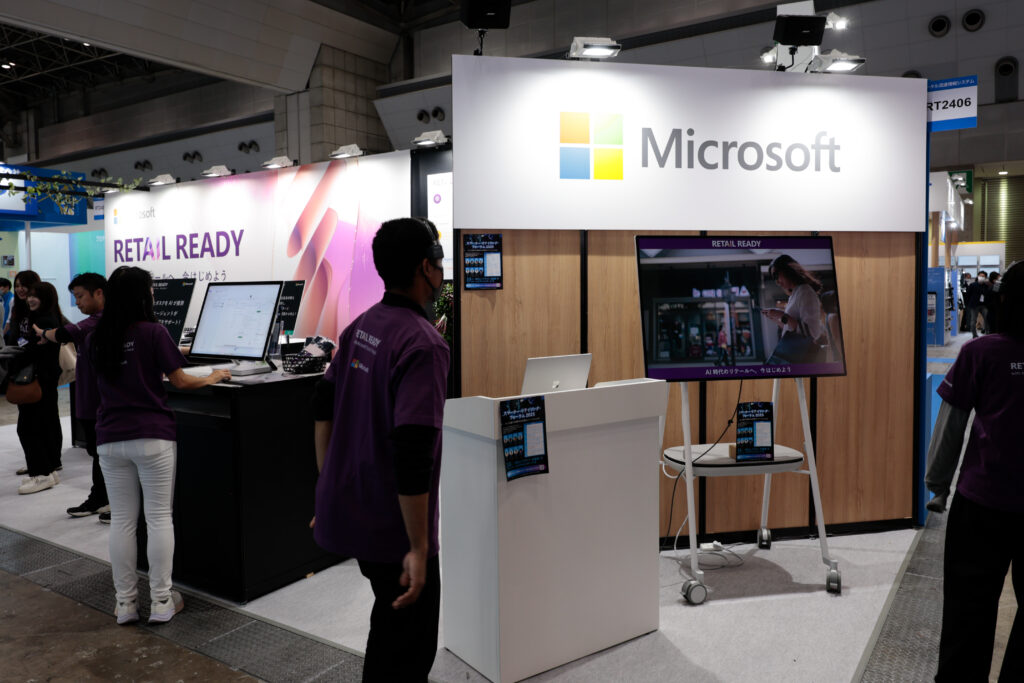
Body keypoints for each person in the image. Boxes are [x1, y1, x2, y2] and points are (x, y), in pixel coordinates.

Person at [312, 217, 450, 682]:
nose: (441, 271)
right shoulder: (424, 345)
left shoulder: (362, 326)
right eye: (438, 262)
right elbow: (413, 452)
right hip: (393, 528)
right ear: (424, 268)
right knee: (410, 647)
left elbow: (322, 402)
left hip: (355, 510)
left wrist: (327, 488)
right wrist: (419, 547)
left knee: (389, 626)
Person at [84, 266, 229, 625]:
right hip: (152, 436)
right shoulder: (153, 331)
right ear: (141, 295)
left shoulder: (97, 336)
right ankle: (162, 600)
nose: (153, 294)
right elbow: (180, 380)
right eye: (150, 289)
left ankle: (125, 604)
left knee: (122, 521)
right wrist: (213, 376)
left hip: (110, 438)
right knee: (159, 517)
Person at [924, 260, 1023, 682]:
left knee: (968, 614)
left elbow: (951, 425)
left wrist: (937, 486)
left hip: (982, 503)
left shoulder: (980, 353)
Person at [35, 273, 110, 518]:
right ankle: (101, 497)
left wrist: (44, 333)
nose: (77, 302)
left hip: (102, 401)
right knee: (97, 453)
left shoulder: (103, 321)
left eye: (80, 296)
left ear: (99, 292)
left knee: (104, 453)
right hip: (88, 398)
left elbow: (63, 333)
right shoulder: (91, 322)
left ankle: (104, 499)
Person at [12, 281, 67, 494]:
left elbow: (36, 351)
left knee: (29, 427)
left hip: (38, 379)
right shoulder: (42, 317)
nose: (30, 299)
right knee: (38, 425)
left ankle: (41, 474)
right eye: (29, 295)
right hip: (42, 379)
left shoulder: (44, 321)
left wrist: (15, 354)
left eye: (35, 296)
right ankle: (47, 470)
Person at [762, 254, 826, 364]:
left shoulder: (805, 292)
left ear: (788, 270)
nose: (777, 281)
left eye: (776, 275)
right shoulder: (796, 293)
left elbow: (812, 332)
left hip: (802, 357)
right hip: (798, 356)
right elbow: (793, 328)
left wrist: (781, 315)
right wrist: (776, 318)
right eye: (774, 278)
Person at [964, 270, 989, 337]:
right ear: (978, 276)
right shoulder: (973, 285)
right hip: (974, 305)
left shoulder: (986, 286)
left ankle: (987, 333)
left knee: (987, 319)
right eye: (980, 276)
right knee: (973, 320)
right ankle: (974, 335)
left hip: (984, 305)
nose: (981, 277)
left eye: (983, 276)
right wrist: (967, 304)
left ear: (985, 277)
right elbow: (968, 295)